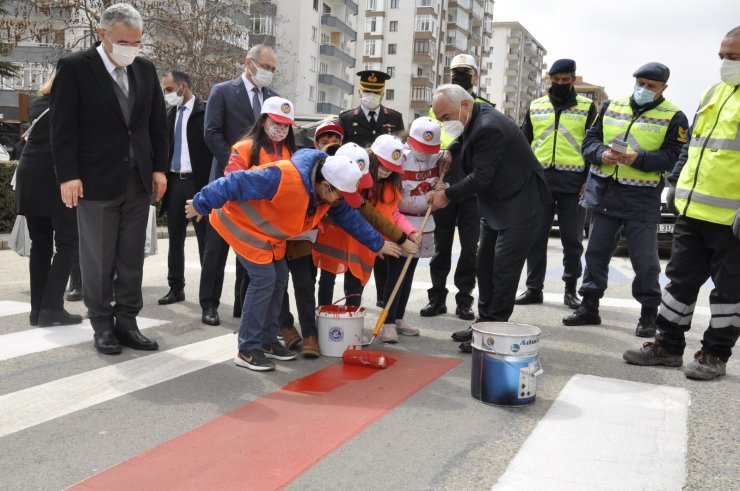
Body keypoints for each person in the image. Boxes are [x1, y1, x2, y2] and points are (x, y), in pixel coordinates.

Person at [186, 151, 402, 372]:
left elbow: (351, 219)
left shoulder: (328, 195)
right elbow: (234, 181)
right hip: (239, 224)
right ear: (327, 185)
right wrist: (201, 203)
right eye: (341, 196)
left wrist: (378, 244)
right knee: (264, 279)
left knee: (279, 278)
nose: (341, 201)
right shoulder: (283, 177)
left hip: (266, 236)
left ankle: (267, 340)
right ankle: (247, 349)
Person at [50, 3, 168, 354]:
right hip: (95, 180)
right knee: (98, 260)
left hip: (137, 181)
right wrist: (68, 175)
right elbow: (62, 129)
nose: (131, 48)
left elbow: (156, 125)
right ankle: (101, 324)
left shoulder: (145, 70)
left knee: (131, 257)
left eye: (137, 41)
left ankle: (128, 322)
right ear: (103, 34)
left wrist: (159, 168)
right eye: (124, 41)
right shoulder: (74, 68)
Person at [623, 27, 740, 380]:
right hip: (693, 211)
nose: (725, 62)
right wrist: (674, 182)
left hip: (731, 218)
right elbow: (693, 145)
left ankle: (715, 355)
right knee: (679, 284)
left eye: (734, 57)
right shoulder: (713, 92)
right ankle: (668, 347)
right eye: (722, 55)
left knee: (730, 292)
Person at [563, 63, 689, 338]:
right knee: (595, 253)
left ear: (663, 88)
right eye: (640, 83)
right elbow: (589, 142)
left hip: (641, 197)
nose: (643, 89)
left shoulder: (674, 116)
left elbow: (674, 156)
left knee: (645, 260)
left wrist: (639, 159)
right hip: (605, 191)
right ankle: (589, 306)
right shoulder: (611, 106)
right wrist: (601, 154)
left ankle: (647, 314)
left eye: (650, 86)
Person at [426, 84, 551, 353]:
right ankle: (482, 324)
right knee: (485, 266)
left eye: (445, 118)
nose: (444, 124)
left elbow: (481, 177)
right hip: (496, 203)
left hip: (521, 204)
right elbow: (465, 138)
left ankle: (494, 331)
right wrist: (451, 149)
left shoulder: (489, 127)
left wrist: (447, 195)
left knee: (503, 270)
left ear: (465, 106)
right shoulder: (476, 120)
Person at [200, 44, 279, 326]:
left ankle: (242, 303)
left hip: (258, 187)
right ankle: (209, 304)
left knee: (250, 246)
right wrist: (237, 166)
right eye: (266, 67)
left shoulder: (273, 99)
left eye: (273, 70)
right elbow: (211, 133)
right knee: (216, 248)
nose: (269, 73)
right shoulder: (222, 91)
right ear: (249, 62)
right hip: (225, 179)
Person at [516, 59, 597, 309]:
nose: (560, 84)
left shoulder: (587, 107)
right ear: (549, 79)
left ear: (573, 79)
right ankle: (533, 288)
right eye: (556, 80)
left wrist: (588, 180)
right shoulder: (536, 105)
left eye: (566, 80)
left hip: (574, 185)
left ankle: (570, 290)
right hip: (540, 183)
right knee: (535, 239)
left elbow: (593, 144)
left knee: (572, 241)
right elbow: (523, 141)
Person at [422, 53, 492, 323]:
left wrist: (453, 149)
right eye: (455, 72)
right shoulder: (435, 106)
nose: (460, 76)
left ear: (475, 76)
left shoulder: (483, 107)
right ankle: (436, 297)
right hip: (443, 185)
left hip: (472, 188)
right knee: (441, 246)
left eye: (465, 72)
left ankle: (464, 300)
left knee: (469, 248)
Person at [15, 74, 82, 328]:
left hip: (30, 176)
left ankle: (37, 310)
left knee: (40, 246)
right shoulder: (71, 106)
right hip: (57, 179)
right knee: (67, 244)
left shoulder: (37, 103)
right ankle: (52, 309)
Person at [339, 69, 404, 307]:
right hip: (358, 188)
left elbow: (398, 153)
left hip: (385, 188)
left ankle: (382, 301)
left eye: (375, 92)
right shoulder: (346, 118)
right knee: (357, 251)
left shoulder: (394, 118)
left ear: (382, 93)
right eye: (367, 91)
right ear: (359, 91)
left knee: (384, 250)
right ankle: (352, 304)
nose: (371, 96)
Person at [157, 70, 212, 306]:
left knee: (205, 243)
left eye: (169, 90)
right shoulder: (169, 114)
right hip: (176, 182)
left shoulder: (205, 112)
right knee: (175, 239)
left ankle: (208, 297)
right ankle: (175, 287)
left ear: (183, 86)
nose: (167, 94)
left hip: (199, 184)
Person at [392, 117, 444, 339]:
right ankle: (388, 319)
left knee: (409, 272)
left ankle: (399, 317)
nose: (424, 153)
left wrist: (441, 192)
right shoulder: (401, 158)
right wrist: (426, 197)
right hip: (400, 222)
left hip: (424, 223)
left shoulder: (439, 159)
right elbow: (398, 199)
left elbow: (441, 195)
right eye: (421, 147)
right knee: (395, 274)